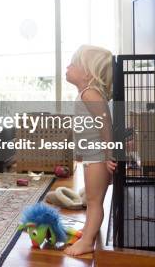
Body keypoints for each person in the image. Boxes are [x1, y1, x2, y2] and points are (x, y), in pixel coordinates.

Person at [64, 45, 117, 256]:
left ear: (87, 72)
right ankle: (88, 231)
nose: (67, 66)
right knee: (93, 200)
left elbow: (105, 125)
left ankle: (87, 242)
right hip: (92, 156)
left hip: (97, 157)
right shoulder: (86, 93)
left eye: (73, 63)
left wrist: (108, 155)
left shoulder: (90, 94)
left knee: (94, 201)